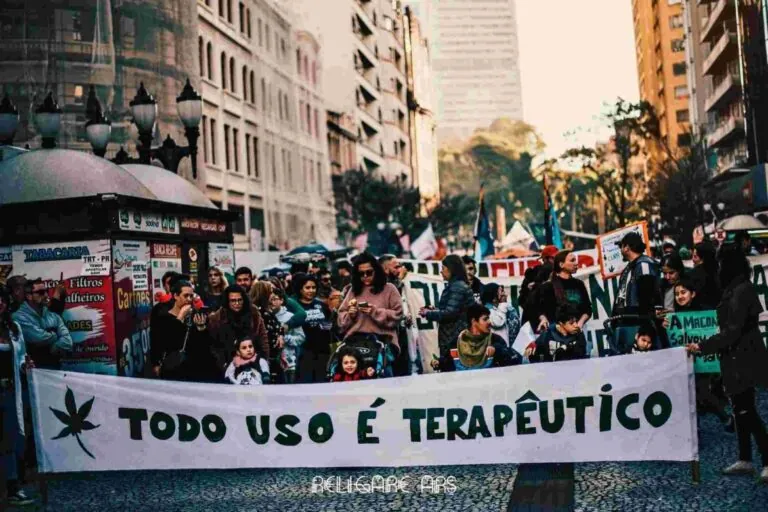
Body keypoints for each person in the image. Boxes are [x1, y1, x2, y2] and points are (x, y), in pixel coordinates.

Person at [686, 245, 768, 481]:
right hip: (737, 357)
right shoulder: (737, 287)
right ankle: (745, 459)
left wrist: (702, 346)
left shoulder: (740, 290)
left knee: (747, 411)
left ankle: (766, 458)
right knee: (740, 409)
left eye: (722, 263)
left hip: (742, 357)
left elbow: (732, 331)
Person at [337, 253, 403, 377]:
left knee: (383, 382)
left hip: (382, 343)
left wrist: (374, 311)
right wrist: (350, 315)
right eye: (361, 274)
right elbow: (341, 319)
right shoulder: (353, 290)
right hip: (355, 343)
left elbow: (398, 315)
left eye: (369, 272)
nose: (365, 277)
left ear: (376, 271)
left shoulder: (389, 289)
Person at [0, 287, 35, 506]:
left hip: (9, 391)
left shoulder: (14, 327)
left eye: (1, 299)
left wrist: (26, 365)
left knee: (10, 439)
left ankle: (13, 488)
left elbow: (21, 355)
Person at [419, 254, 475, 372]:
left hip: (455, 338)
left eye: (443, 268)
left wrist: (428, 314)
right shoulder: (455, 285)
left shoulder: (457, 287)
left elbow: (450, 313)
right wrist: (434, 310)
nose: (441, 271)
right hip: (454, 337)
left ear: (451, 270)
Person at [609, 232, 662, 354]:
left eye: (621, 246)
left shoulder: (644, 264)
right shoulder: (629, 268)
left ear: (627, 247)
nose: (620, 250)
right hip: (625, 321)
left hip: (638, 321)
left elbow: (647, 297)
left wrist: (646, 325)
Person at [149, 280, 210, 381]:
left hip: (192, 367)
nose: (189, 299)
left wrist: (201, 328)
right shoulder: (163, 316)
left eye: (191, 296)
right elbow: (161, 342)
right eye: (185, 296)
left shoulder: (194, 315)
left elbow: (203, 345)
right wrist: (181, 316)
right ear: (176, 296)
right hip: (172, 367)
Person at [207, 285, 270, 376]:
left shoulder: (253, 313)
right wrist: (223, 365)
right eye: (233, 300)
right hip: (228, 363)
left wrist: (264, 361)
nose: (236, 303)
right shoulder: (217, 318)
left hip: (254, 362)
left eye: (239, 300)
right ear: (227, 302)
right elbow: (214, 345)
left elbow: (263, 338)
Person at [12, 279, 72, 370]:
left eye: (46, 292)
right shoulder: (19, 317)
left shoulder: (53, 315)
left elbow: (68, 341)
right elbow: (38, 338)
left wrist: (54, 347)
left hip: (54, 370)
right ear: (29, 296)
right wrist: (56, 335)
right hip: (31, 373)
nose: (46, 295)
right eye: (41, 292)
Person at [534, 250, 591, 334]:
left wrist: (580, 324)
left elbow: (588, 309)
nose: (576, 263)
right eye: (572, 260)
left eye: (575, 260)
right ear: (561, 265)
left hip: (578, 332)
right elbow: (540, 310)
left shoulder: (579, 284)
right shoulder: (548, 287)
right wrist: (543, 319)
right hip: (557, 334)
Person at [379, 254, 416, 376]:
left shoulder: (400, 283)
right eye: (396, 267)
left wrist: (406, 316)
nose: (399, 269)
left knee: (405, 371)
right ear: (384, 269)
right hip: (388, 336)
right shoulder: (380, 287)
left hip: (402, 333)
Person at [452, 303, 518, 371]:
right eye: (485, 319)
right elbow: (447, 368)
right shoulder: (457, 343)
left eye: (488, 318)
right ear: (474, 321)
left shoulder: (495, 340)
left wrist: (497, 350)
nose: (489, 322)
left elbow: (513, 360)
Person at [294, 274, 334, 383]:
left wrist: (325, 325)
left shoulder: (322, 305)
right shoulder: (294, 305)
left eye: (313, 287)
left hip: (323, 351)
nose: (311, 290)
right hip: (303, 351)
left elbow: (330, 324)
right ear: (300, 289)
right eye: (307, 288)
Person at [250, 281, 283, 379]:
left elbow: (278, 326)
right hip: (264, 358)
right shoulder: (258, 313)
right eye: (271, 291)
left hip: (274, 357)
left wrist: (280, 335)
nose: (273, 295)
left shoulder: (269, 311)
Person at [271, 288, 305, 384]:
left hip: (289, 360)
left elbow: (301, 337)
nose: (271, 302)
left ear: (281, 300)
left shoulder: (290, 316)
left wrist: (286, 338)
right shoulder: (264, 316)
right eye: (269, 300)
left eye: (274, 299)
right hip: (272, 360)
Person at [480, 283, 521, 347]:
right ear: (493, 298)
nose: (504, 295)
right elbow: (498, 322)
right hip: (496, 348)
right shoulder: (487, 311)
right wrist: (503, 304)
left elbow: (515, 318)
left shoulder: (498, 309)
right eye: (501, 291)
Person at [691, 241, 721, 309]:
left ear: (704, 257)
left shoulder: (694, 274)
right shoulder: (720, 272)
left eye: (695, 256)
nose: (692, 259)